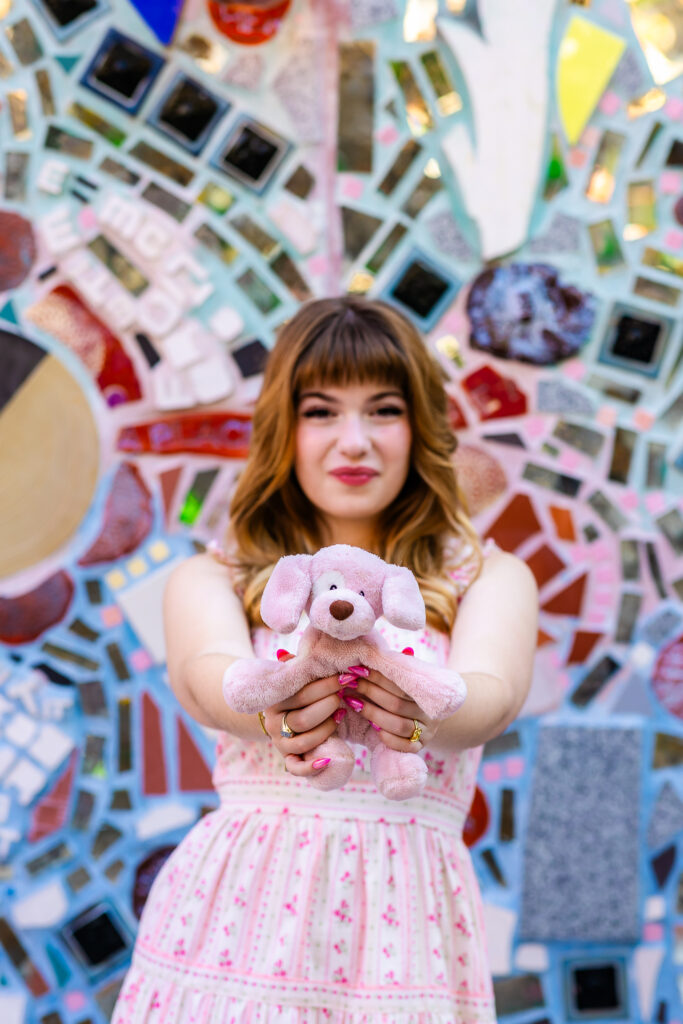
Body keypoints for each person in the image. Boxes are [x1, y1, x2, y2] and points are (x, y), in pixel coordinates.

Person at [112, 296, 538, 1023]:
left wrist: (421, 709)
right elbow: (208, 678)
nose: (354, 441)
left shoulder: (488, 578)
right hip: (233, 924)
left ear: (420, 427)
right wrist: (271, 702)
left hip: (406, 930)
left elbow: (488, 696)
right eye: (320, 412)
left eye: (382, 410)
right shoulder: (214, 578)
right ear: (284, 428)